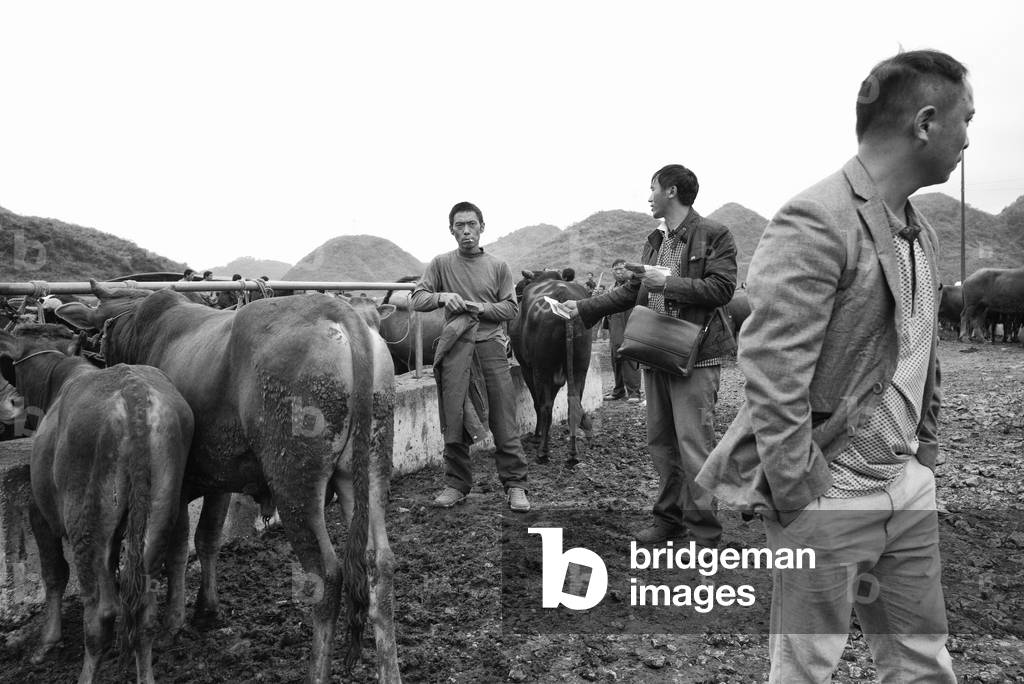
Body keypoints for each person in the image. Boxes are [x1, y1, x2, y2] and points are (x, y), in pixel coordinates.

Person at [697, 50, 970, 682]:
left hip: (904, 485)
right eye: (967, 120)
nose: (969, 139)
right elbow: (770, 365)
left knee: (923, 659)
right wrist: (799, 492)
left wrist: (923, 455)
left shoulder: (919, 230)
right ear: (925, 123)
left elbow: (917, 346)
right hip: (831, 493)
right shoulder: (817, 218)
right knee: (805, 668)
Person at [562, 164, 737, 546]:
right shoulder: (654, 241)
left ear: (671, 191)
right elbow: (633, 293)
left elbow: (722, 289)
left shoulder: (714, 234)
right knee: (661, 441)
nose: (648, 196)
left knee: (694, 443)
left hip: (696, 355)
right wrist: (584, 309)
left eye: (653, 187)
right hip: (655, 349)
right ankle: (668, 519)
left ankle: (705, 532)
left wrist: (668, 283)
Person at [412, 201, 531, 513]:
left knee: (503, 415)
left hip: (490, 347)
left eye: (472, 224)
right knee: (454, 417)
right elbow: (418, 298)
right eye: (460, 225)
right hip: (456, 348)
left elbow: (511, 308)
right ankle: (457, 484)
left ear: (482, 227)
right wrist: (441, 296)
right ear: (451, 230)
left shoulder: (498, 267)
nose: (466, 231)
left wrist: (481, 308)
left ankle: (516, 484)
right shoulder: (440, 264)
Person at [603, 259, 642, 404]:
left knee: (630, 359)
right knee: (616, 360)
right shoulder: (610, 288)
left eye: (621, 269)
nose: (619, 272)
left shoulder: (633, 287)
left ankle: (634, 393)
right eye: (615, 269)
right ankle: (618, 391)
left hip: (630, 327)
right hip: (615, 329)